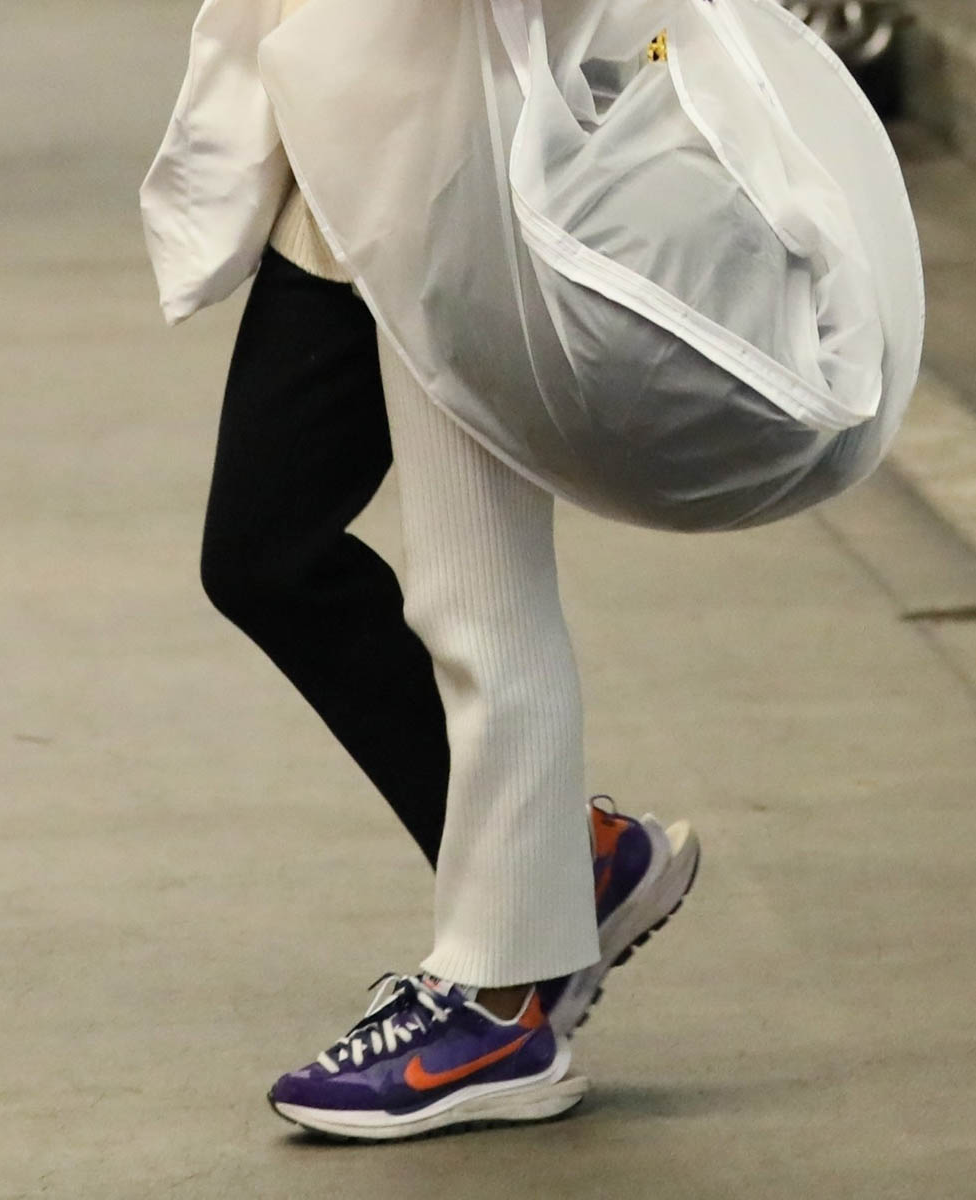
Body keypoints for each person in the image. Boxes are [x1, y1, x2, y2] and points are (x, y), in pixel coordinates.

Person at [184, 0, 700, 1142]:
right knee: (266, 555)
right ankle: (567, 864)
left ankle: (504, 1007)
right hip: (342, 146)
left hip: (465, 152)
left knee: (478, 591)